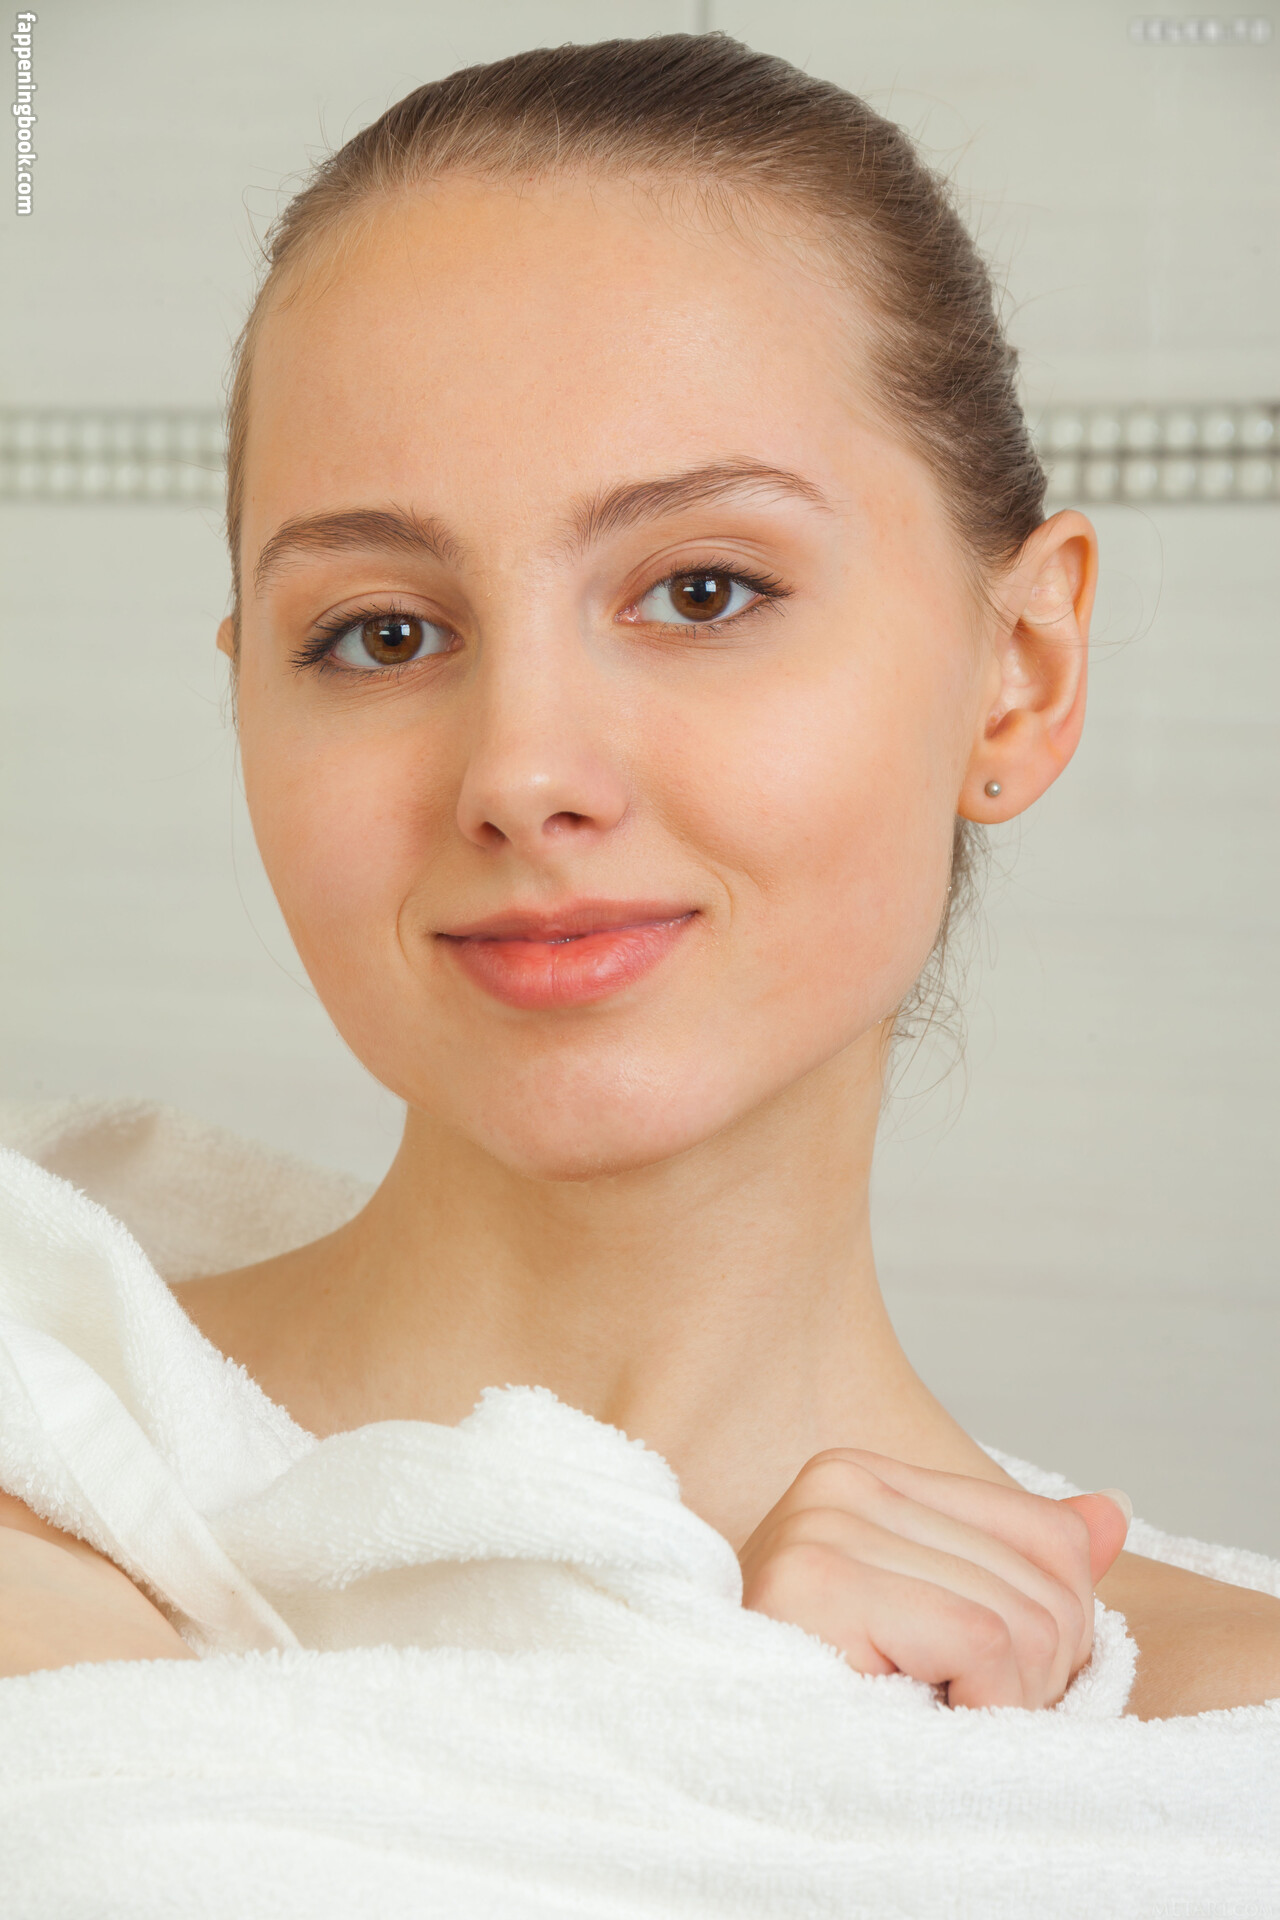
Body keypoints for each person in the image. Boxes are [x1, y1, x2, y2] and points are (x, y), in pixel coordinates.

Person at [2, 30, 1278, 1728]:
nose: (522, 774)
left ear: (1021, 675)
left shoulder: (1214, 1750)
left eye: (701, 592)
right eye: (382, 633)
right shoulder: (46, 1484)